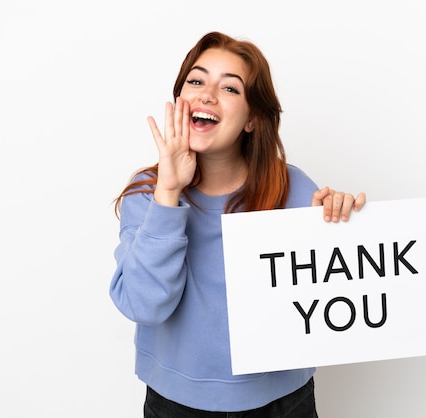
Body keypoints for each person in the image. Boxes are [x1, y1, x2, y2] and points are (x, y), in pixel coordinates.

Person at [109, 31, 366, 417]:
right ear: (180, 101)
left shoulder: (293, 189)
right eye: (196, 81)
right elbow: (144, 305)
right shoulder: (147, 193)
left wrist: (338, 221)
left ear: (252, 119)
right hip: (176, 404)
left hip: (282, 401)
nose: (207, 94)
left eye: (229, 88)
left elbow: (327, 291)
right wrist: (168, 192)